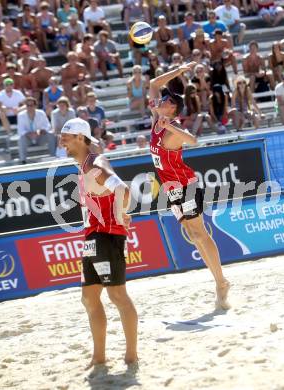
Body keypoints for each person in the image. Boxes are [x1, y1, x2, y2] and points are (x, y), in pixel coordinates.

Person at [149, 64, 230, 309]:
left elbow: (193, 140)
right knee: (194, 236)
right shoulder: (156, 119)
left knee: (200, 233)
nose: (160, 101)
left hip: (186, 186)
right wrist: (180, 69)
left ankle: (220, 282)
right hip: (171, 188)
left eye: (165, 101)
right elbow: (154, 84)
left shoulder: (171, 129)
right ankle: (220, 281)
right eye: (162, 100)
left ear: (172, 108)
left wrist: (170, 126)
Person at [60, 117, 138, 367]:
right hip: (92, 237)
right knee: (89, 298)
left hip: (106, 236)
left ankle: (131, 355)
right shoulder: (84, 166)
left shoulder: (95, 162)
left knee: (117, 295)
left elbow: (123, 190)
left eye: (66, 139)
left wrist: (119, 213)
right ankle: (99, 357)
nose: (63, 144)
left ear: (81, 138)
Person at [17, 96, 56, 163]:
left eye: (31, 105)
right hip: (28, 139)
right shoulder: (20, 115)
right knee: (21, 138)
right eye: (27, 105)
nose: (29, 107)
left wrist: (40, 131)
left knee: (51, 134)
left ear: (35, 106)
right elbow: (20, 130)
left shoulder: (41, 113)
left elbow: (47, 126)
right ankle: (23, 160)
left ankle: (53, 156)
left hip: (40, 138)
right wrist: (29, 134)